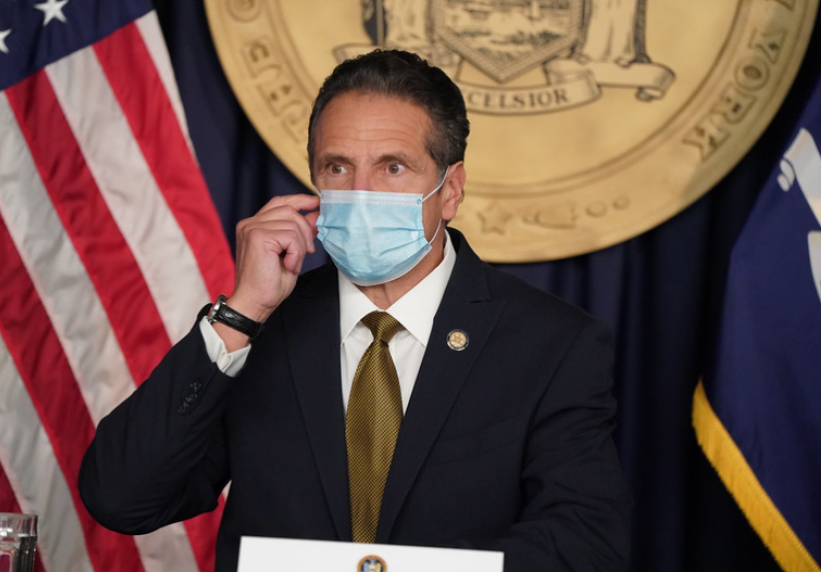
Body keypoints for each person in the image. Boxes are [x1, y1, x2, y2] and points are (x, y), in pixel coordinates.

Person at [79, 49, 631, 571]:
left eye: (393, 167)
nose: (362, 193)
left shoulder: (553, 344)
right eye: (338, 167)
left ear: (451, 190)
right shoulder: (260, 330)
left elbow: (586, 543)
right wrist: (241, 313)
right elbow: (122, 499)